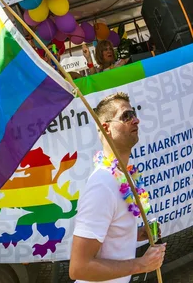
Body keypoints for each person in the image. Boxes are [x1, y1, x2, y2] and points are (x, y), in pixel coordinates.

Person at [69, 92, 166, 282]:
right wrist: (142, 264)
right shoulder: (102, 185)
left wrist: (132, 235)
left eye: (134, 114)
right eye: (126, 116)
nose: (136, 120)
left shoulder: (122, 176)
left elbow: (108, 239)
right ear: (106, 128)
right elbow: (79, 268)